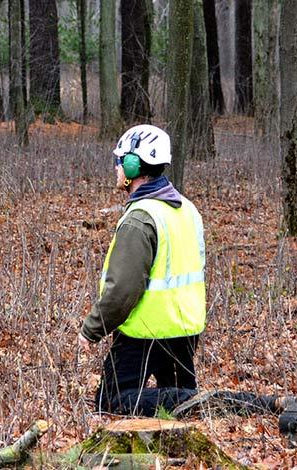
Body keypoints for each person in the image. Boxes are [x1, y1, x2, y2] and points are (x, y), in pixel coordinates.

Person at [77, 124, 207, 415]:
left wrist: (91, 330)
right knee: (187, 407)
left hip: (145, 331)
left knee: (111, 403)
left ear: (133, 165)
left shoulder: (140, 218)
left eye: (120, 161)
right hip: (184, 328)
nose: (117, 168)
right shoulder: (187, 209)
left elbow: (123, 289)